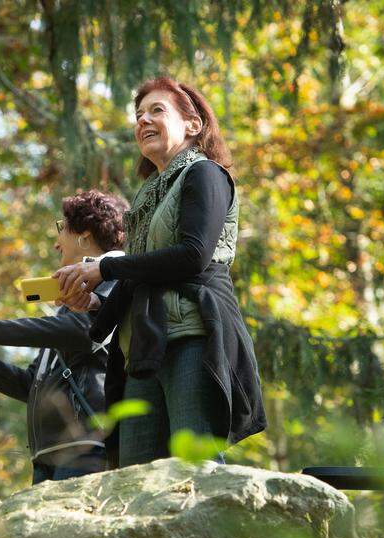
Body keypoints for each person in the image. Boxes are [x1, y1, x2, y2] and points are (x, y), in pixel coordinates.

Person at [55, 76, 266, 467]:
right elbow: (138, 277)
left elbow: (193, 256)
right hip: (143, 349)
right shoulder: (147, 195)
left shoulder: (206, 174)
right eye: (138, 115)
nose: (143, 121)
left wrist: (107, 266)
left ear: (192, 124)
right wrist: (94, 308)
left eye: (157, 110)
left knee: (196, 469)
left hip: (191, 338)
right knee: (136, 475)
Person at [0, 190, 128, 482]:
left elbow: (85, 332)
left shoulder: (114, 280)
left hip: (86, 449)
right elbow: (28, 384)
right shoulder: (68, 305)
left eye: (62, 228)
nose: (55, 242)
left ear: (85, 235)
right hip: (49, 456)